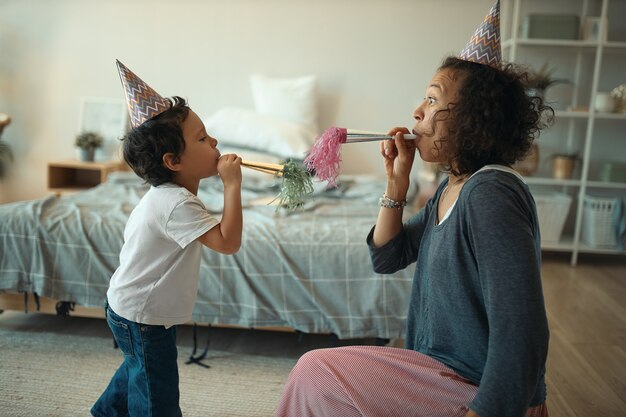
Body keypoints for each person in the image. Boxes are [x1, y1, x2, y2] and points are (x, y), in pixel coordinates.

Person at [274, 2, 553, 416]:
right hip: (439, 371)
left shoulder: (491, 194)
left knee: (316, 371)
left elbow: (523, 328)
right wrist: (396, 183)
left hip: (476, 390)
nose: (417, 111)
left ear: (475, 118)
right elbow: (388, 256)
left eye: (432, 99)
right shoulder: (449, 190)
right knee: (322, 383)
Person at [91, 61, 242, 417]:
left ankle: (106, 413)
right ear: (174, 161)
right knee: (157, 394)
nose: (214, 141)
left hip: (130, 307)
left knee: (138, 368)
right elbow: (228, 242)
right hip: (143, 316)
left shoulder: (171, 196)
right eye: (202, 138)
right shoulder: (176, 205)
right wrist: (232, 185)